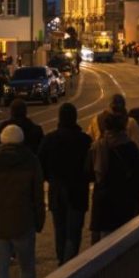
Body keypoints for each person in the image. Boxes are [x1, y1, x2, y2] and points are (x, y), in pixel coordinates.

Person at [0, 125, 45, 278]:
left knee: (0, 265)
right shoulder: (31, 161)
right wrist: (39, 220)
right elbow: (38, 195)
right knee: (27, 266)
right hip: (24, 221)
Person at [38, 103, 91, 264]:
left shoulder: (49, 139)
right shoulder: (84, 140)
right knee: (73, 231)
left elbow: (40, 163)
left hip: (56, 190)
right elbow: (90, 167)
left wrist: (50, 178)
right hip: (77, 190)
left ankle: (62, 261)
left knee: (59, 229)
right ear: (75, 118)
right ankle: (69, 264)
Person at [88, 111, 139, 243]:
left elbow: (88, 172)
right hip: (124, 198)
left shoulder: (97, 146)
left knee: (103, 239)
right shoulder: (130, 146)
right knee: (124, 237)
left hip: (102, 199)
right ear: (122, 128)